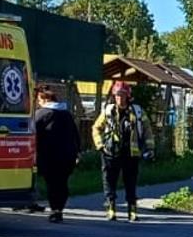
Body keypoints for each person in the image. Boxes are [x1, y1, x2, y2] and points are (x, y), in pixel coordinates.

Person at [92, 83, 149, 222]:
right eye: (117, 95)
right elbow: (96, 128)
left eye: (122, 95)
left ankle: (132, 209)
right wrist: (100, 145)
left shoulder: (137, 111)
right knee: (109, 181)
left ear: (128, 96)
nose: (120, 98)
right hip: (111, 153)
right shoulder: (108, 111)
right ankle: (111, 208)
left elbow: (148, 131)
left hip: (131, 154)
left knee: (131, 182)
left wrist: (149, 148)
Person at [31, 85, 82, 223]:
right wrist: (78, 151)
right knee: (62, 183)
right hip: (67, 156)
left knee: (52, 184)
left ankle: (55, 210)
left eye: (39, 100)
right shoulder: (67, 114)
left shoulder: (40, 115)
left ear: (43, 99)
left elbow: (32, 134)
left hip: (50, 157)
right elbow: (76, 135)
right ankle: (59, 209)